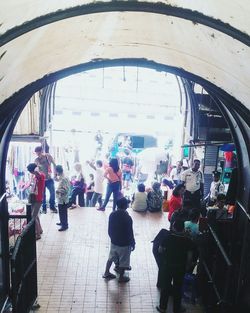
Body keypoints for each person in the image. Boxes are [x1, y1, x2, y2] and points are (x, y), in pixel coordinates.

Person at [156, 220, 194, 313]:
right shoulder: (187, 240)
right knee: (178, 288)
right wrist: (187, 266)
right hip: (180, 267)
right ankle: (177, 309)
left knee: (165, 286)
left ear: (173, 227)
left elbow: (160, 250)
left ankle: (162, 307)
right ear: (183, 229)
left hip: (167, 266)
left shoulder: (167, 238)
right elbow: (190, 256)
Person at [102, 197, 135, 283]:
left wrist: (113, 238)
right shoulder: (127, 217)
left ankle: (106, 272)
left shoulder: (112, 214)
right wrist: (132, 242)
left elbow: (109, 229)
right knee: (124, 260)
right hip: (124, 243)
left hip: (114, 241)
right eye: (127, 204)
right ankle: (121, 277)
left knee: (111, 257)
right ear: (125, 206)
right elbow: (130, 232)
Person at [34, 145, 57, 213]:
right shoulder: (36, 160)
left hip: (49, 179)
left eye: (39, 153)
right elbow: (36, 170)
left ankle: (52, 207)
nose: (38, 154)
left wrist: (55, 174)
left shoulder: (48, 156)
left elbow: (54, 164)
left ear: (42, 151)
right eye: (37, 153)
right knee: (43, 194)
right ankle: (44, 208)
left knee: (52, 193)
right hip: (41, 180)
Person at [27, 163, 45, 240]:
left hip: (38, 199)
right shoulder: (37, 177)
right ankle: (40, 230)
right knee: (36, 215)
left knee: (33, 216)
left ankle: (38, 235)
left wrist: (35, 169)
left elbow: (37, 173)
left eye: (30, 171)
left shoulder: (40, 176)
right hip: (34, 198)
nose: (31, 173)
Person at [55, 165, 71, 231]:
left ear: (58, 171)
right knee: (61, 212)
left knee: (63, 212)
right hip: (61, 198)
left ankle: (65, 225)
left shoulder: (64, 178)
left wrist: (58, 190)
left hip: (63, 199)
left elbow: (66, 190)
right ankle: (62, 222)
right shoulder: (62, 177)